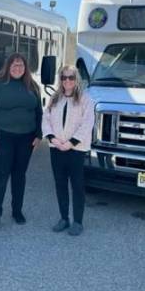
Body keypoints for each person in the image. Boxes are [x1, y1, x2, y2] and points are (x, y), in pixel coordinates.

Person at [0, 53, 42, 233]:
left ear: (26, 68)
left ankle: (17, 211)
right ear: (8, 66)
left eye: (21, 66)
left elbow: (39, 111)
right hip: (3, 137)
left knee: (19, 176)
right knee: (1, 176)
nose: (18, 68)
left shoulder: (33, 86)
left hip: (26, 138)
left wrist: (39, 134)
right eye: (15, 65)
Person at [42, 65, 95, 236]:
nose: (67, 81)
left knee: (77, 186)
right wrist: (52, 138)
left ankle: (78, 221)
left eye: (71, 77)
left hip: (76, 150)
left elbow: (87, 124)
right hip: (56, 148)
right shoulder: (54, 98)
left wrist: (71, 142)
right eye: (64, 77)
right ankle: (64, 218)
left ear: (76, 79)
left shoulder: (86, 99)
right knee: (60, 184)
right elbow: (46, 119)